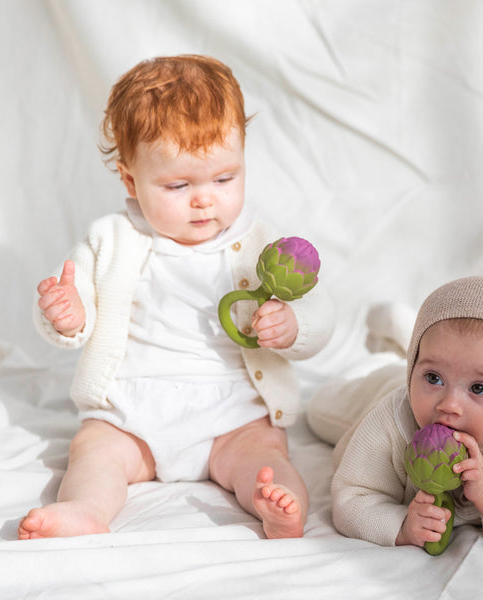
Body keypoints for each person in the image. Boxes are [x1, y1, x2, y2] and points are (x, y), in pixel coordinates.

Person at [18, 55, 334, 541]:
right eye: (178, 185)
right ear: (130, 180)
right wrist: (69, 313)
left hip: (233, 412)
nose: (204, 199)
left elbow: (319, 308)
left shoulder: (259, 243)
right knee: (94, 450)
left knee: (266, 458)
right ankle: (86, 508)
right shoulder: (112, 239)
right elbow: (77, 287)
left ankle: (280, 510)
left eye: (224, 179)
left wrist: (293, 325)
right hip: (132, 413)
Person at [309, 276, 483, 554]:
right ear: (415, 369)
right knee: (318, 410)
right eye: (433, 377)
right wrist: (400, 526)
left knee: (437, 361)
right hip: (375, 387)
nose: (449, 405)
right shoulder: (394, 415)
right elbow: (352, 497)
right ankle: (395, 347)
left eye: (478, 388)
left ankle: (405, 338)